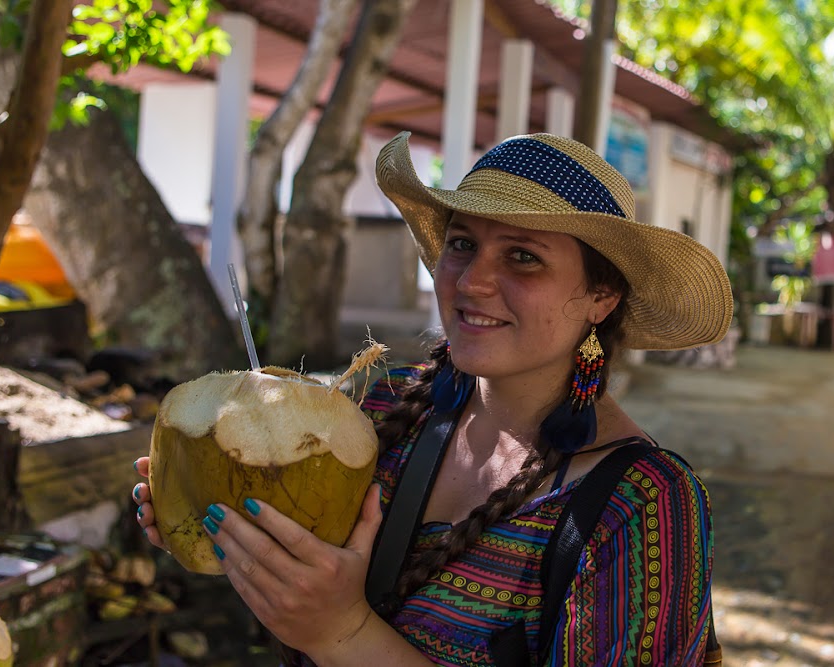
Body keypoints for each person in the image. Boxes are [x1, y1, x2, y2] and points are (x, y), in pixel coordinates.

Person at [132, 131, 733, 666]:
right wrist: (222, 523)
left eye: (523, 257)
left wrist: (343, 632)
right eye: (463, 243)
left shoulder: (640, 506)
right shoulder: (384, 411)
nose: (471, 281)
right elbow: (303, 587)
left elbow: (329, 624)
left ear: (602, 297)